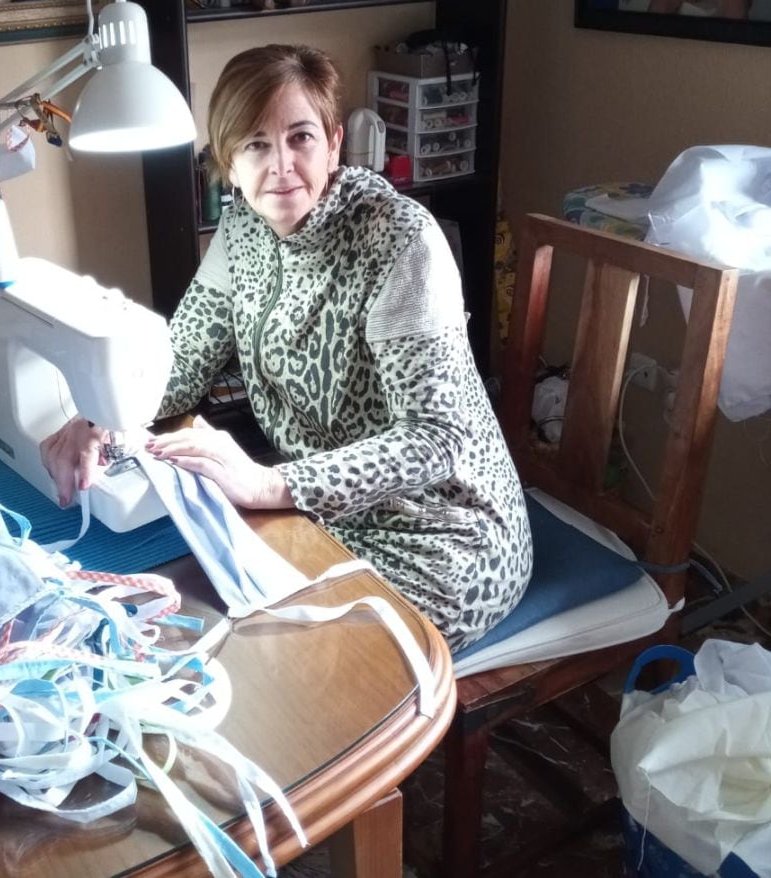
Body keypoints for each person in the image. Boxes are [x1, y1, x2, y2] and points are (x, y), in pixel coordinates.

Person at [42, 44, 532, 651]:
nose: (281, 166)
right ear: (228, 161)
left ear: (333, 144)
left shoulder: (401, 241)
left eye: (300, 138)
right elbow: (186, 360)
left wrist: (272, 486)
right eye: (254, 144)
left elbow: (435, 439)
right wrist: (101, 413)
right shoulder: (243, 228)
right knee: (193, 611)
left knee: (276, 654)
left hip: (440, 536)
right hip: (318, 513)